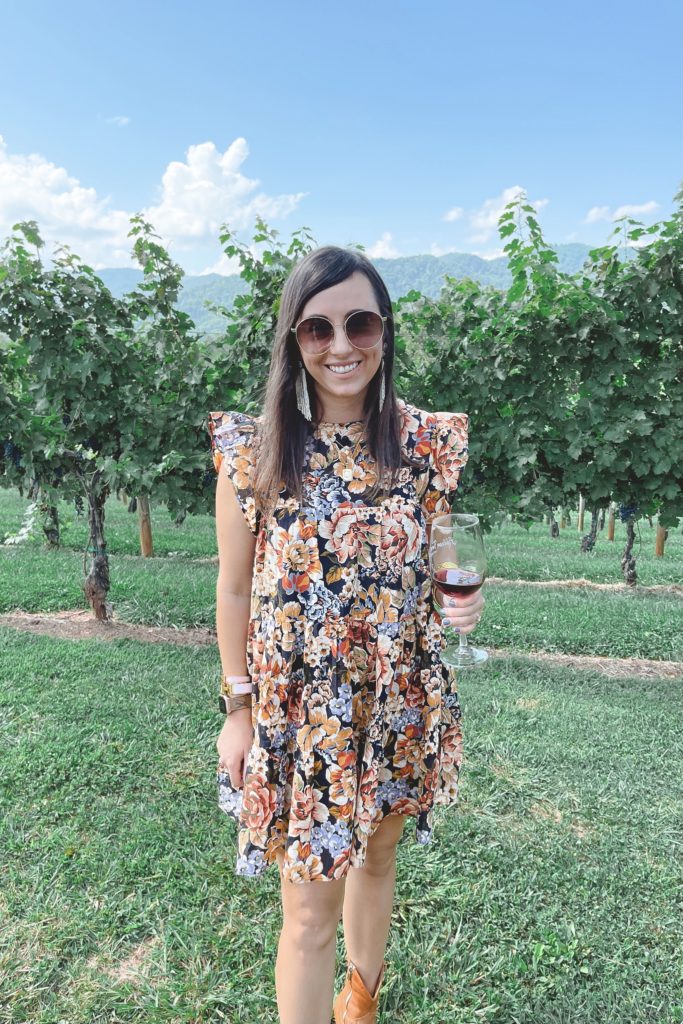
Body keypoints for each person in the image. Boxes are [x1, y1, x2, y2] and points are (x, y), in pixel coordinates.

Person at [207, 245, 484, 1024]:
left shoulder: (424, 443)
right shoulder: (255, 453)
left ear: (384, 331)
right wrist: (237, 708)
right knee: (306, 911)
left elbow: (441, 551)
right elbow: (231, 590)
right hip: (303, 715)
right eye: (317, 327)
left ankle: (358, 1000)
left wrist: (457, 594)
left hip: (399, 696)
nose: (340, 345)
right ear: (293, 341)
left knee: (379, 855)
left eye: (359, 321)